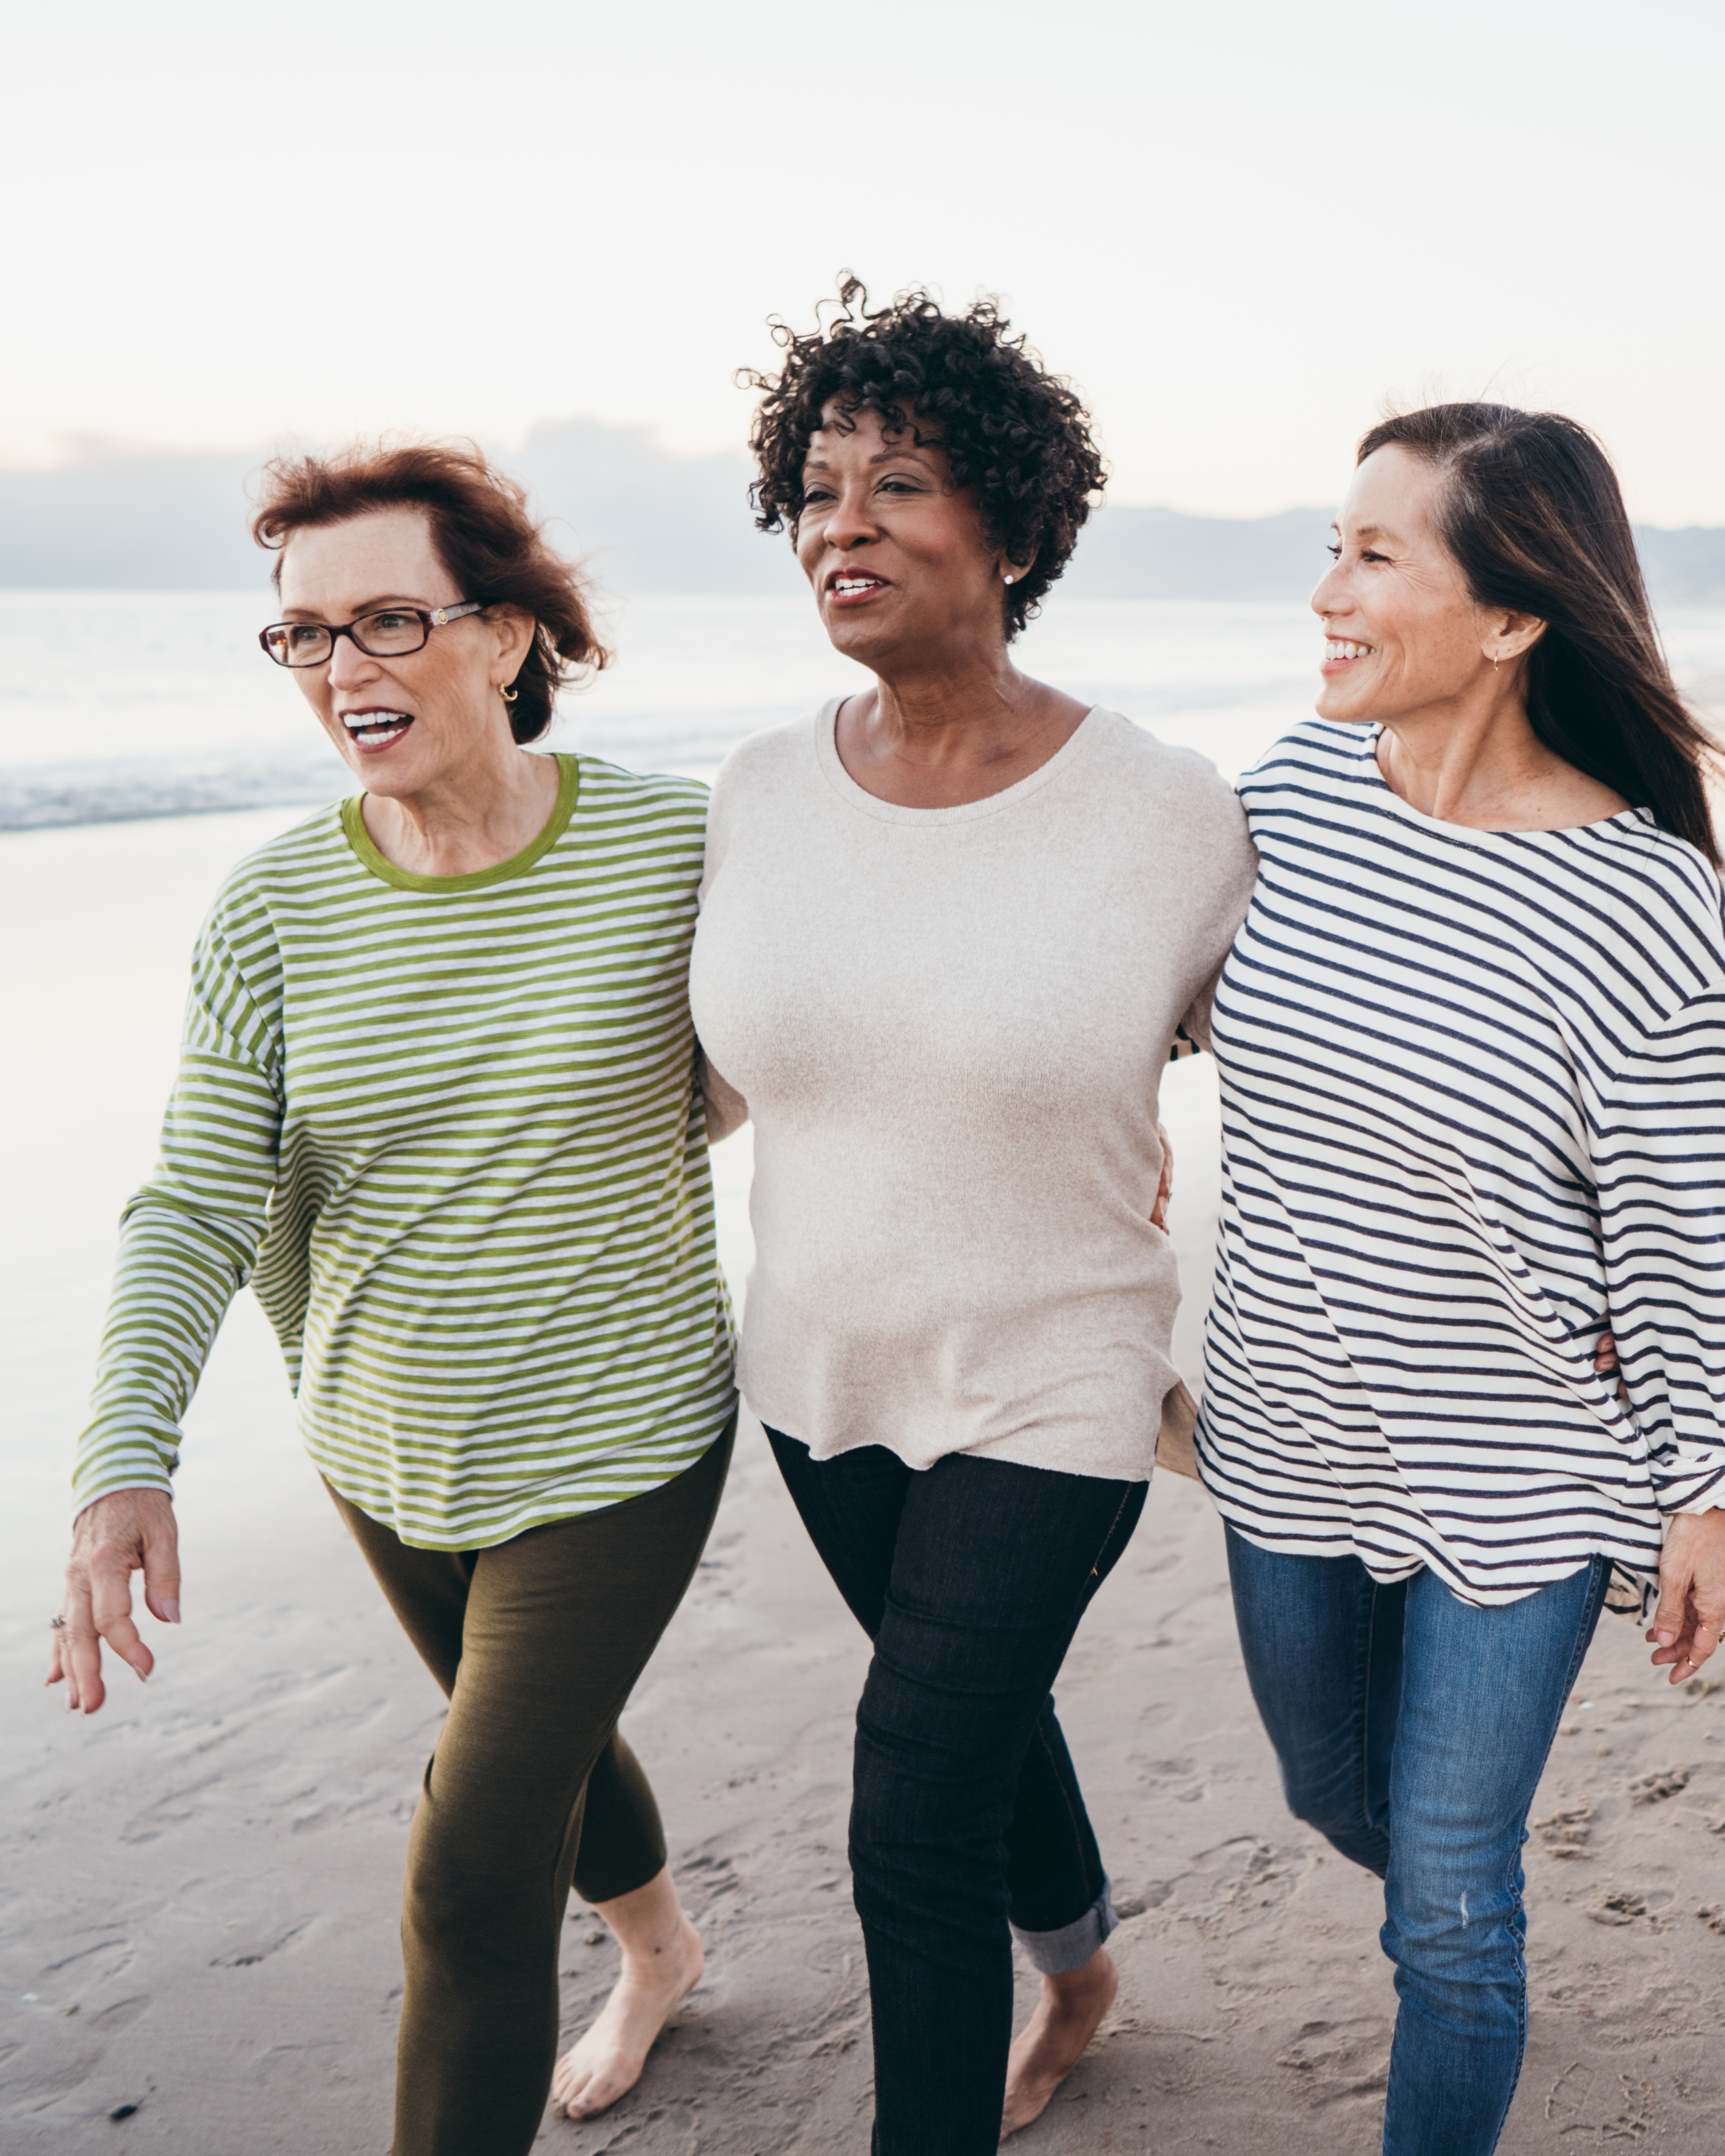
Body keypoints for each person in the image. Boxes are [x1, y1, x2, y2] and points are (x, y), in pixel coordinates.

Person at [50, 445, 740, 2153]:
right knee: (542, 1750)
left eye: (386, 621)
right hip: (378, 1446)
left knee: (473, 1851)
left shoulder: (679, 848)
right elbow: (198, 1191)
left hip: (621, 1439)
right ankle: (660, 1956)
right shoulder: (276, 906)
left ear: (507, 637)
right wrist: (122, 1454)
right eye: (301, 638)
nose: (345, 673)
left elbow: (862, 1025)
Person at [691, 281, 1255, 2151]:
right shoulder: (757, 797)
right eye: (815, 490)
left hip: (1056, 1375)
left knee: (909, 1804)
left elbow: (1312, 1078)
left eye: (899, 482)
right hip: (820, 1375)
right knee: (972, 1715)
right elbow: (695, 1085)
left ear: (1011, 530)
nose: (840, 524)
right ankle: (1081, 1962)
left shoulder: (1166, 812)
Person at [1198, 404, 1725, 2156]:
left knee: (1449, 1905)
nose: (1326, 592)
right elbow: (1143, 1004)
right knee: (1329, 1793)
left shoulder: (1639, 897)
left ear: (1512, 619)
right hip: (1286, 1431)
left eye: (1375, 556)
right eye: (1333, 543)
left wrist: (1705, 1493)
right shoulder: (1286, 798)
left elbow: (1694, 1222)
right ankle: (1468, 1937)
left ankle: (1470, 1975)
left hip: (1522, 1470)